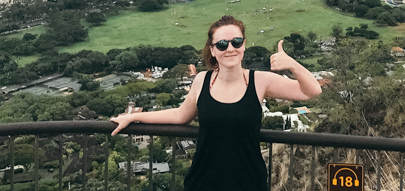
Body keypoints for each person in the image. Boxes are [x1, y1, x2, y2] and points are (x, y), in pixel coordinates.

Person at [110, 15, 321, 191]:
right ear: (212, 50)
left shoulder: (260, 81)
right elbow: (180, 115)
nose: (230, 48)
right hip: (204, 181)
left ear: (244, 45)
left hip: (248, 182)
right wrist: (134, 116)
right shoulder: (202, 80)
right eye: (222, 44)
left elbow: (311, 91)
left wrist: (293, 65)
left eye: (236, 42)